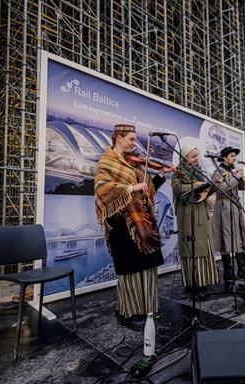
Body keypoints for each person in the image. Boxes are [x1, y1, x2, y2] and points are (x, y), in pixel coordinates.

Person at [94, 124, 172, 330]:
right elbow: (102, 189)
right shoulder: (106, 162)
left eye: (135, 139)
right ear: (118, 138)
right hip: (122, 225)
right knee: (130, 272)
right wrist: (130, 187)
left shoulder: (134, 164)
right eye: (130, 139)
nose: (134, 143)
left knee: (147, 267)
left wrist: (160, 176)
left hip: (143, 224)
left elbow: (147, 190)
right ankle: (127, 313)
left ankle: (147, 309)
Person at [172, 145, 219, 296]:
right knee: (191, 247)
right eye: (193, 156)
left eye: (197, 156)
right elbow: (178, 189)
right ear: (184, 157)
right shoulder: (178, 172)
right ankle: (192, 284)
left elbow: (205, 191)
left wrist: (214, 186)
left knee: (203, 245)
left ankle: (203, 282)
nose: (196, 159)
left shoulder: (198, 171)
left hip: (201, 212)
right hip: (187, 213)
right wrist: (196, 184)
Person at [211, 146, 245, 283]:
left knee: (239, 235)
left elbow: (242, 187)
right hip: (223, 208)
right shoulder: (218, 171)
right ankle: (228, 271)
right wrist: (235, 176)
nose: (234, 158)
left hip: (235, 206)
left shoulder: (234, 171)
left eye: (235, 156)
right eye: (232, 156)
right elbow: (221, 188)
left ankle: (243, 269)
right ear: (225, 157)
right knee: (226, 236)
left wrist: (241, 176)